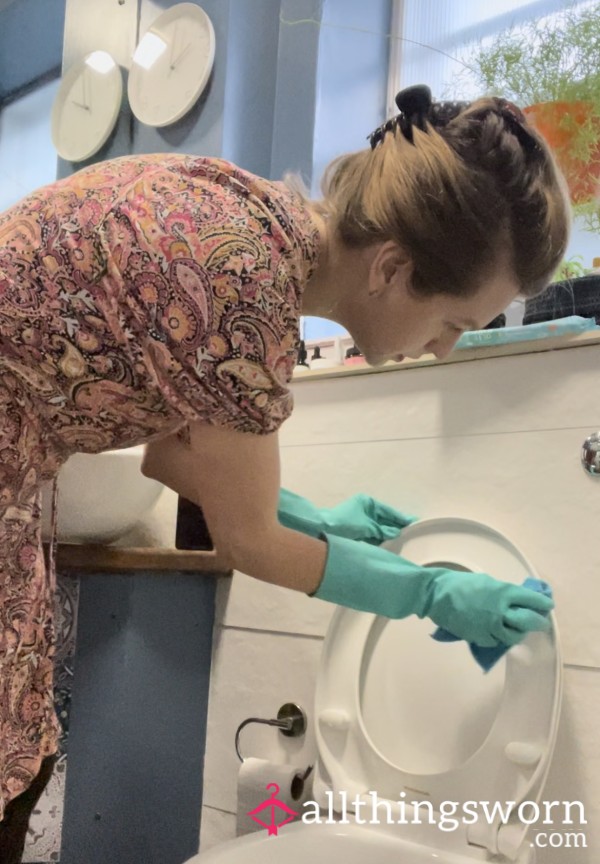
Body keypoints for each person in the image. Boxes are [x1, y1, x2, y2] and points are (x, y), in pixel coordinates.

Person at [0, 84, 568, 860]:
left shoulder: (248, 229)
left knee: (16, 754)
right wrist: (427, 591)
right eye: (454, 324)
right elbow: (250, 542)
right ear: (393, 269)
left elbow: (173, 457)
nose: (443, 350)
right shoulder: (242, 284)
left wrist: (320, 519)